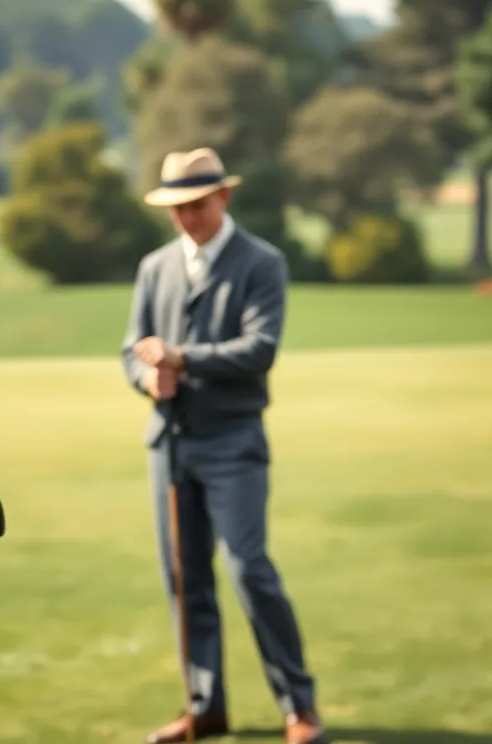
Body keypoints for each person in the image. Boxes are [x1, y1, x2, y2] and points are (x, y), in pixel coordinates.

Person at [121, 148, 324, 744]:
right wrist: (147, 378)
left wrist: (181, 358)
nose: (186, 217)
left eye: (196, 204)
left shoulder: (262, 262)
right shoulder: (155, 267)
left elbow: (260, 348)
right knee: (184, 580)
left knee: (249, 570)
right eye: (176, 208)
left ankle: (300, 709)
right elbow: (132, 349)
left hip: (234, 441)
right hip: (170, 446)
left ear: (224, 198)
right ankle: (203, 707)